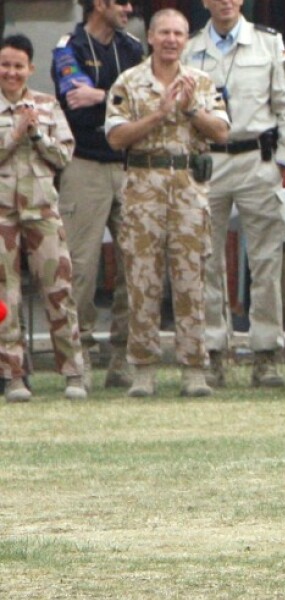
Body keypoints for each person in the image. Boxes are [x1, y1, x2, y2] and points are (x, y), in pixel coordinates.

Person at [105, 8, 230, 397]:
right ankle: (142, 369)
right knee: (142, 278)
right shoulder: (130, 81)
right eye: (165, 33)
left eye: (179, 33)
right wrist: (158, 114)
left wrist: (192, 108)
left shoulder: (202, 82)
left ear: (187, 39)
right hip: (143, 188)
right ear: (152, 38)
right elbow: (116, 137)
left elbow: (223, 131)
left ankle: (194, 369)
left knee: (191, 278)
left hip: (188, 189)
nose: (172, 40)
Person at [183, 0, 285, 389]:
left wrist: (282, 159)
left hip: (256, 158)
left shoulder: (268, 42)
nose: (225, 2)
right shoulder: (190, 46)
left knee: (266, 259)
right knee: (206, 260)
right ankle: (213, 350)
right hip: (208, 162)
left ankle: (266, 352)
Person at [52, 0, 143, 390]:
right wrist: (119, 99)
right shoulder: (67, 45)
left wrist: (102, 96)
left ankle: (122, 354)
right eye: (121, 2)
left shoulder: (134, 47)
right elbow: (75, 94)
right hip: (84, 163)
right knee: (81, 266)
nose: (129, 8)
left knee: (136, 264)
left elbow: (147, 100)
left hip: (130, 163)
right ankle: (81, 352)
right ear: (100, 3)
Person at [0, 33, 87, 402]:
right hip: (3, 215)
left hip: (42, 211)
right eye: (5, 65)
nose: (11, 72)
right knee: (6, 298)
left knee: (59, 292)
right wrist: (14, 135)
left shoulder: (48, 106)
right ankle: (13, 375)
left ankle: (73, 374)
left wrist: (36, 136)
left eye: (18, 66)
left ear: (31, 68)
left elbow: (64, 156)